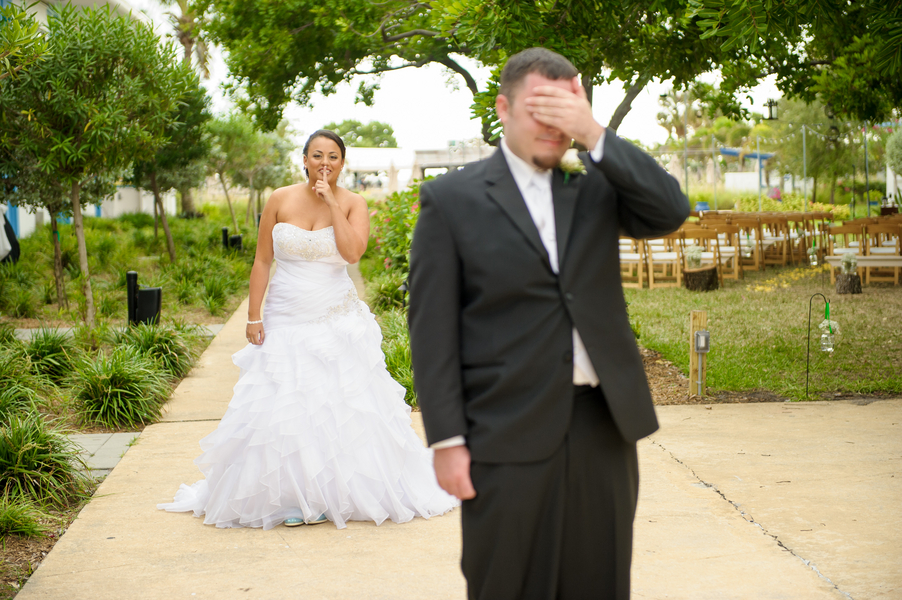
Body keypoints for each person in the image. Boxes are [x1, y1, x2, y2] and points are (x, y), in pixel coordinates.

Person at [408, 48, 689, 599]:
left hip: (602, 429)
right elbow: (432, 330)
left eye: (566, 109)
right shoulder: (451, 199)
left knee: (599, 584)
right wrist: (446, 439)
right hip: (504, 430)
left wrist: (593, 131)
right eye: (541, 108)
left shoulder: (595, 187)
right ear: (503, 109)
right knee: (507, 585)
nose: (553, 124)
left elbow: (669, 210)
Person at [158, 130, 458, 530]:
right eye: (317, 155)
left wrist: (332, 201)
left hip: (335, 317)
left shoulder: (353, 203)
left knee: (336, 404)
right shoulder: (280, 199)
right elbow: (262, 260)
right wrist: (253, 315)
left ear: (342, 164)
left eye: (333, 156)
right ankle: (293, 495)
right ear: (303, 159)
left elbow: (352, 253)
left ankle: (333, 493)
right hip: (285, 313)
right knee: (286, 401)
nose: (325, 163)